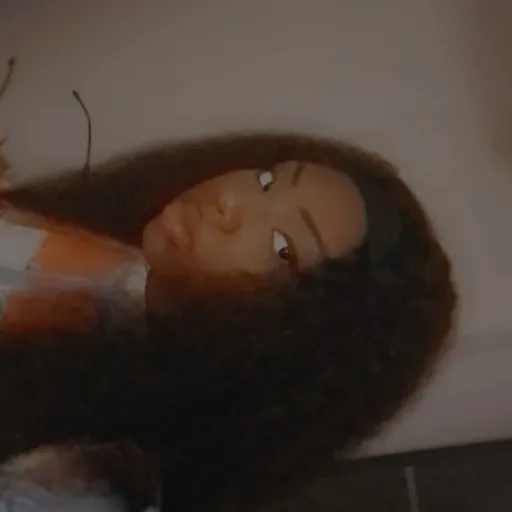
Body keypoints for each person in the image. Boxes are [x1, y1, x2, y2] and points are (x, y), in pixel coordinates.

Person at [0, 130, 457, 510]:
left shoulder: (78, 484)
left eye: (282, 247)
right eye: (266, 181)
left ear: (290, 341)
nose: (229, 202)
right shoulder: (128, 275)